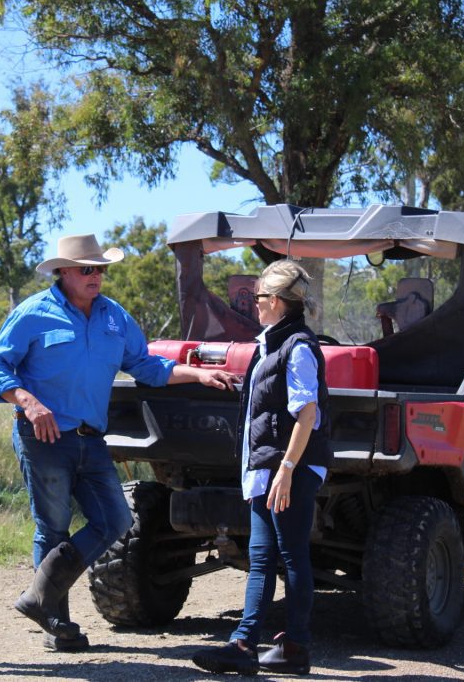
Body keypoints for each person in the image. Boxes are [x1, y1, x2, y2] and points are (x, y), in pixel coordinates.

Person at [0, 234, 238, 652]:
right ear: (63, 272)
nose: (96, 276)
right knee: (52, 528)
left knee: (117, 521)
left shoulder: (114, 317)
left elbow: (145, 366)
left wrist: (197, 375)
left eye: (100, 269)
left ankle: (37, 598)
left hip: (91, 438)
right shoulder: (33, 313)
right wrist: (28, 402)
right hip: (43, 436)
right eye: (87, 269)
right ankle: (56, 625)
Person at [191, 259, 332, 677]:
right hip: (269, 468)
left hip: (287, 469)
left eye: (257, 298)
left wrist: (288, 468)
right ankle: (247, 644)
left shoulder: (299, 347)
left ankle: (291, 648)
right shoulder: (271, 344)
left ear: (276, 301)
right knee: (262, 555)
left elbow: (309, 415)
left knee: (290, 556)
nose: (252, 305)